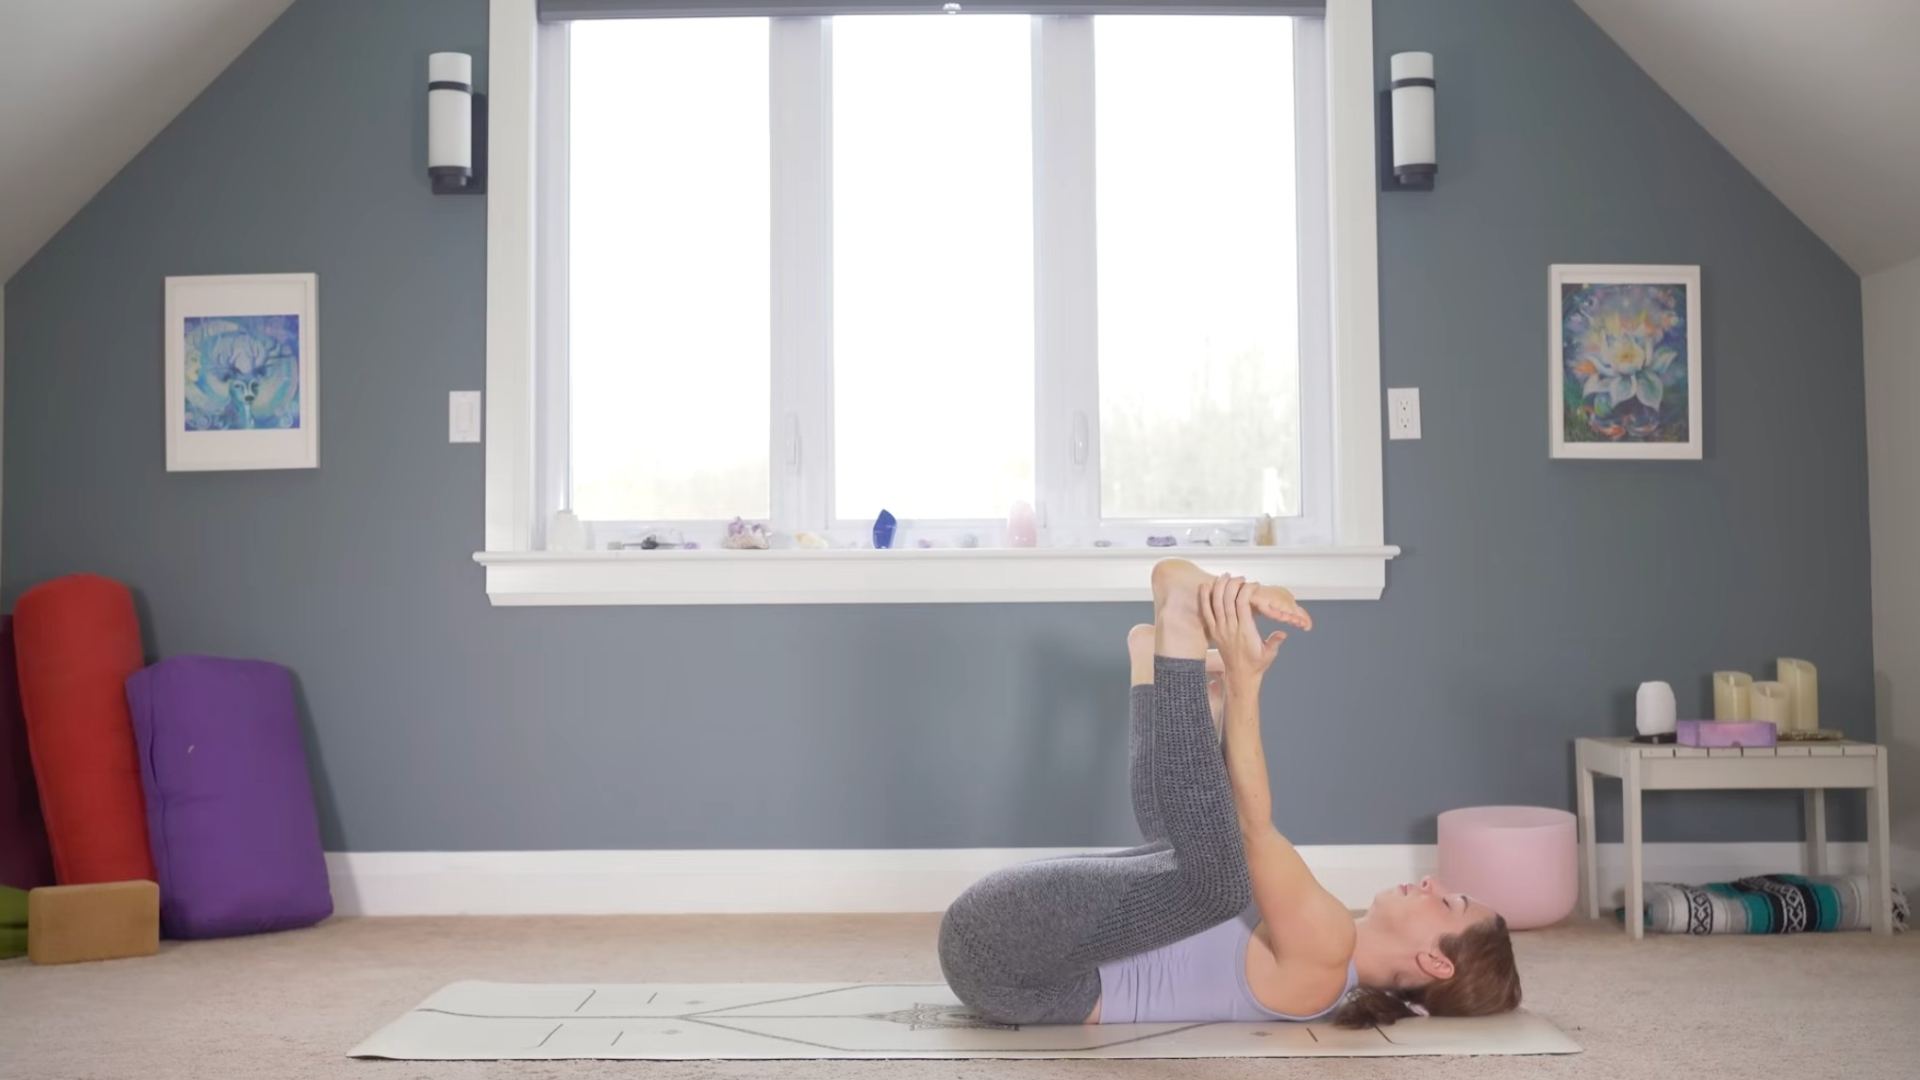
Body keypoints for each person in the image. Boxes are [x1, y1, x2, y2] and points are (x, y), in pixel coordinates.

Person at [938, 558, 1521, 1028]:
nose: (1431, 882)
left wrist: (1246, 684)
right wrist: (1219, 704)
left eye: (1449, 902)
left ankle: (1182, 628)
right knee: (1192, 853)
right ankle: (1158, 659)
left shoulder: (1326, 958)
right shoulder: (1325, 931)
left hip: (1012, 966)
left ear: (1434, 961)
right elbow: (1220, 824)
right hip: (1013, 942)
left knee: (1219, 881)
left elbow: (1251, 826)